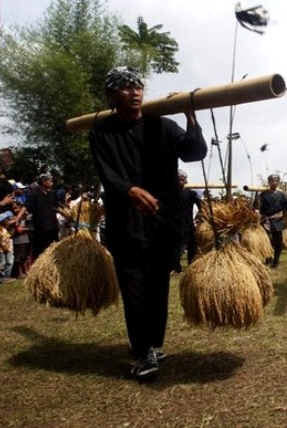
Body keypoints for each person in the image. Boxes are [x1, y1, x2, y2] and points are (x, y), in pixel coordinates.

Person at [89, 66, 207, 380]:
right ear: (112, 95)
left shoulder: (163, 126)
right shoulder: (102, 131)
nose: (135, 92)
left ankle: (153, 344)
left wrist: (190, 116)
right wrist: (130, 190)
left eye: (138, 86)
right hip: (125, 224)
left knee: (157, 287)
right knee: (134, 287)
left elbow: (194, 152)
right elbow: (107, 173)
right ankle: (141, 352)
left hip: (162, 223)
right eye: (126, 87)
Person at [258, 173, 287, 268]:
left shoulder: (282, 194)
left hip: (278, 221)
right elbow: (260, 208)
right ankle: (268, 258)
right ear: (269, 182)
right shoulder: (263, 194)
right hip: (266, 221)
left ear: (278, 182)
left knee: (278, 243)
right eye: (272, 181)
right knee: (267, 241)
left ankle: (276, 261)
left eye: (276, 181)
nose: (274, 182)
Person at [171, 169, 201, 273]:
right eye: (183, 180)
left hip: (188, 224)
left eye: (185, 180)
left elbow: (201, 206)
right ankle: (175, 267)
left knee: (192, 245)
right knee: (177, 247)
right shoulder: (171, 194)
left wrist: (202, 217)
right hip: (175, 225)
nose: (185, 182)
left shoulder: (191, 193)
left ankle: (191, 264)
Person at [24, 173, 59, 258]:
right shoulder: (34, 194)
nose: (52, 183)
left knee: (53, 250)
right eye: (50, 181)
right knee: (41, 252)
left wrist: (68, 215)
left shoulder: (53, 194)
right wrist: (17, 219)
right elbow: (25, 207)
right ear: (44, 181)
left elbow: (56, 207)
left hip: (53, 227)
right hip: (41, 229)